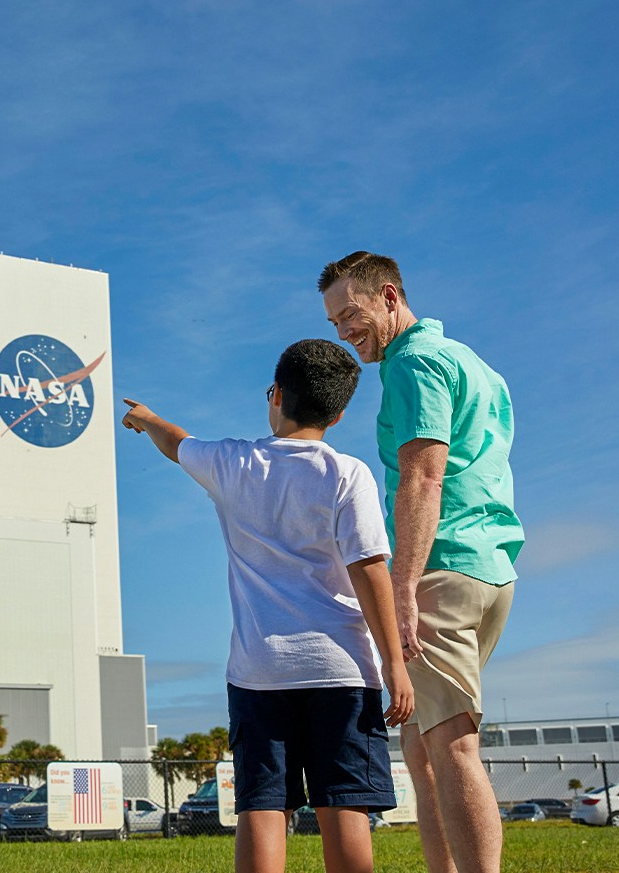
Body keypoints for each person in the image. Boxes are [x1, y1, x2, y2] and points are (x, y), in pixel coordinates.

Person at [122, 339, 413, 873]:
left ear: (276, 394)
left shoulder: (233, 462)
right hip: (342, 671)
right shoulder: (347, 474)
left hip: (259, 672)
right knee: (343, 806)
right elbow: (370, 570)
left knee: (264, 806)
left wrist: (146, 418)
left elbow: (177, 443)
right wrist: (395, 664)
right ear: (341, 411)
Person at [318, 252, 523, 873]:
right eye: (333, 322)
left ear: (388, 295)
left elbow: (422, 478)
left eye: (351, 314)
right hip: (491, 569)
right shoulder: (469, 360)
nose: (344, 331)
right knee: (422, 745)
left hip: (442, 568)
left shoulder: (413, 363)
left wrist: (402, 587)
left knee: (451, 746)